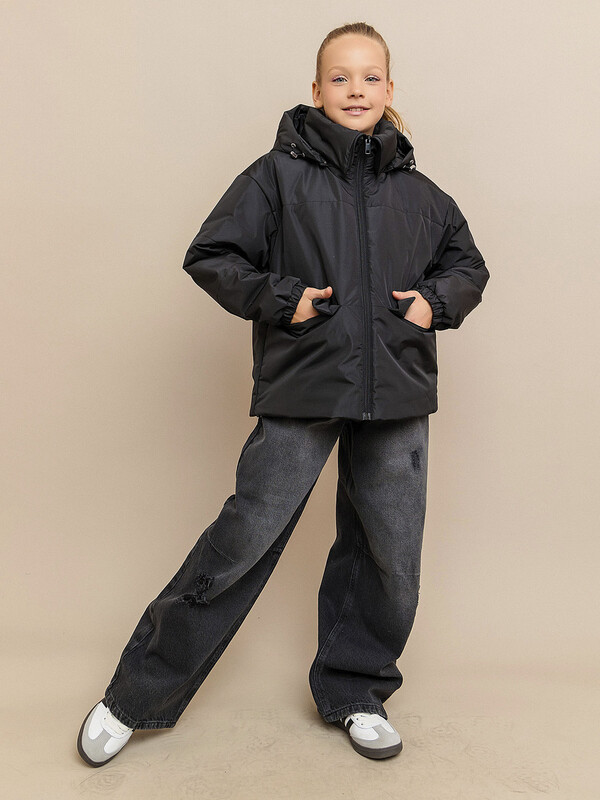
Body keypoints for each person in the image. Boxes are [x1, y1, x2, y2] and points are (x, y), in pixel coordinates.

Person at [77, 21, 489, 767]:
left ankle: (356, 691)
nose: (356, 90)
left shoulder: (421, 194)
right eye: (340, 77)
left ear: (390, 89)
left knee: (390, 556)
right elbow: (212, 254)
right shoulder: (275, 176)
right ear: (316, 89)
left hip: (397, 396)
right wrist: (283, 299)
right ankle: (135, 697)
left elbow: (468, 267)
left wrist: (436, 303)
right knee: (244, 539)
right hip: (303, 387)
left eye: (370, 77)